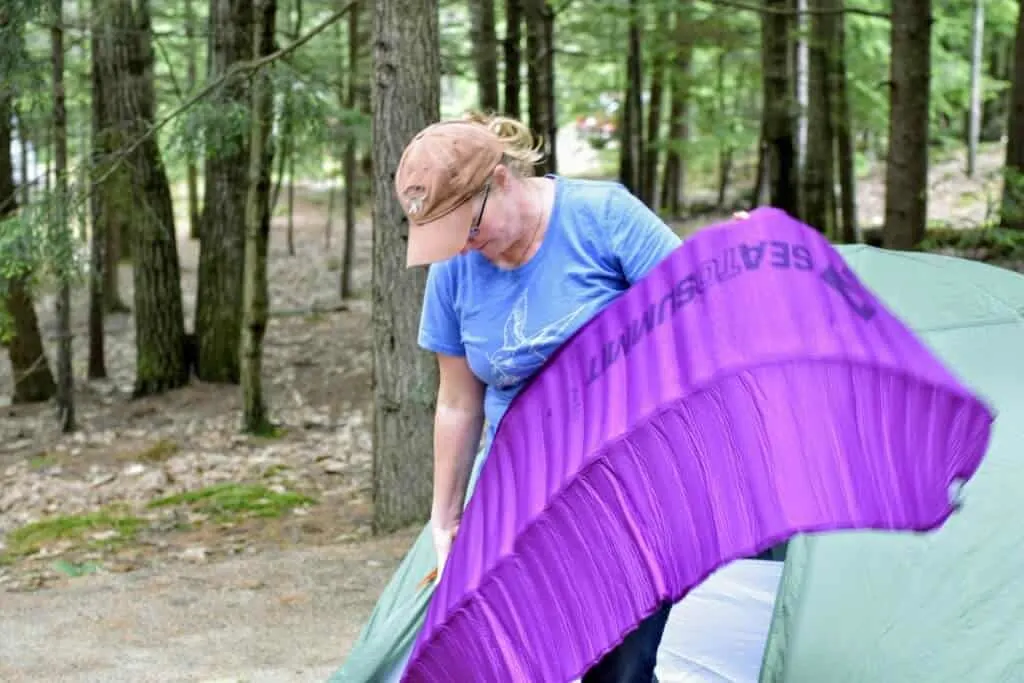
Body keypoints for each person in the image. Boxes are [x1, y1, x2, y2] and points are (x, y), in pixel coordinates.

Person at [396, 112, 682, 683]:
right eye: (450, 239)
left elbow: (698, 321)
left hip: (632, 482)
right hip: (519, 492)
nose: (467, 248)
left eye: (470, 229)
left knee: (618, 668)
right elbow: (457, 401)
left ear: (500, 180)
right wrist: (444, 516)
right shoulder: (456, 270)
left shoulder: (603, 218)